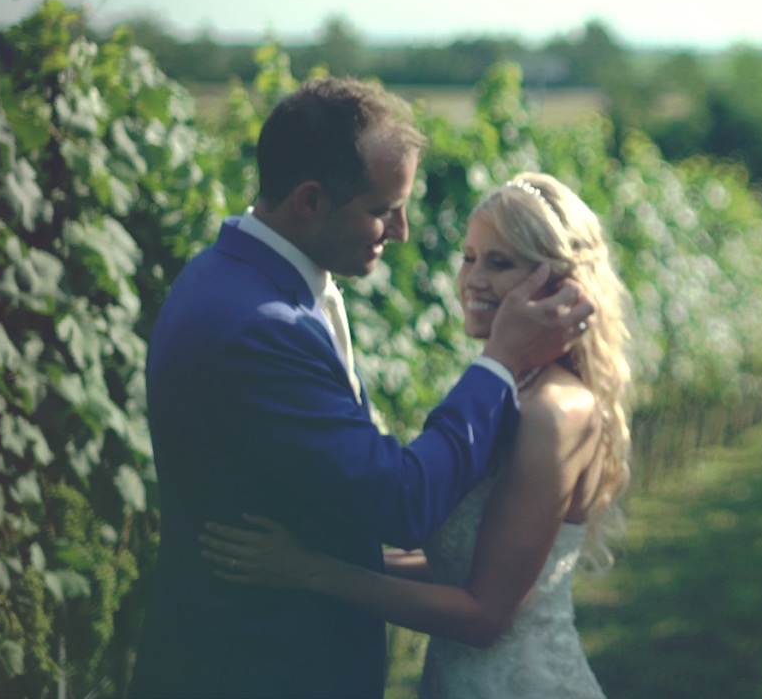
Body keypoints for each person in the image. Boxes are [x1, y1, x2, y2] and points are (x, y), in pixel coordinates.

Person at [132, 80, 594, 699]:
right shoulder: (260, 326)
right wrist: (501, 363)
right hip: (259, 670)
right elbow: (400, 505)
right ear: (311, 201)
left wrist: (319, 569)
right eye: (382, 209)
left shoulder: (232, 279)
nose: (401, 231)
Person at [200, 173, 633, 699]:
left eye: (500, 263)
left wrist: (312, 571)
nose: (473, 279)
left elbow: (484, 615)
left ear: (561, 283)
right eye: (470, 257)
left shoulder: (553, 411)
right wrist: (316, 549)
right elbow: (462, 560)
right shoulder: (510, 387)